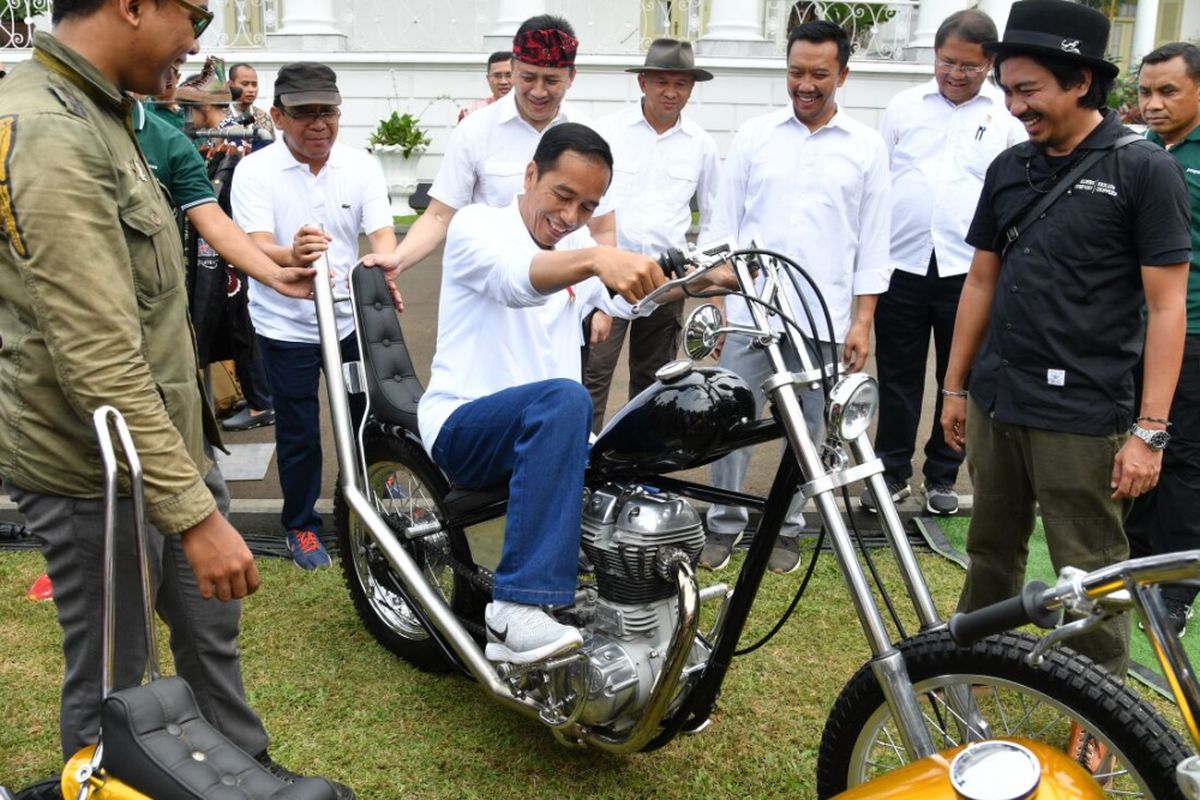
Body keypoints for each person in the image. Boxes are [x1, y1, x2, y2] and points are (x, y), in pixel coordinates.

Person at [0, 2, 350, 796]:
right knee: (116, 673)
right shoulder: (50, 132)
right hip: (97, 467)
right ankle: (98, 785)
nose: (198, 39)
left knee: (206, 632)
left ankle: (239, 769)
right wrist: (193, 516)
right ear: (132, 6)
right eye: (192, 13)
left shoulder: (109, 112)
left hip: (165, 441)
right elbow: (97, 354)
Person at [940, 0, 1189, 752]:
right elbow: (981, 279)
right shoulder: (1010, 166)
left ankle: (1101, 712)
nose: (1014, 108)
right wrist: (954, 387)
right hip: (997, 399)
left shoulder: (1140, 168)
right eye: (1006, 91)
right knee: (991, 547)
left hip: (1083, 414)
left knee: (1093, 571)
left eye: (1028, 91)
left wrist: (1149, 430)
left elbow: (1167, 304)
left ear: (1080, 81)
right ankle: (975, 666)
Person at [421, 122, 726, 664]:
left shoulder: (577, 245)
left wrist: (693, 284)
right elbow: (516, 280)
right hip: (463, 425)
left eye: (587, 207)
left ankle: (646, 611)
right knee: (566, 398)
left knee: (656, 423)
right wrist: (594, 257)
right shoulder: (477, 225)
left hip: (551, 431)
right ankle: (514, 609)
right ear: (531, 173)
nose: (570, 218)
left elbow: (625, 300)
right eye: (563, 197)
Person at [700, 21, 891, 575]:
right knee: (732, 421)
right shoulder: (756, 136)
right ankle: (724, 523)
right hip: (751, 315)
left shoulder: (866, 148)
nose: (805, 84)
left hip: (824, 319)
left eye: (818, 75)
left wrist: (863, 322)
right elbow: (722, 228)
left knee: (810, 430)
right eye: (795, 72)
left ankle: (785, 528)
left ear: (843, 75)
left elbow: (873, 241)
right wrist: (714, 305)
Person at [232, 61, 396, 570]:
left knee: (369, 415)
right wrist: (293, 252)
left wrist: (382, 265)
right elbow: (257, 246)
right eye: (304, 113)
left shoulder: (361, 164)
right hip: (285, 325)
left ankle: (377, 510)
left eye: (328, 111)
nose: (318, 123)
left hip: (349, 322)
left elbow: (383, 235)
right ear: (278, 117)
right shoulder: (253, 170)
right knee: (299, 430)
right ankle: (301, 526)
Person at [863, 9, 1025, 517]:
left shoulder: (1006, 116)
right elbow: (882, 181)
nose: (956, 74)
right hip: (904, 264)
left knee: (960, 379)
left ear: (990, 64)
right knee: (898, 375)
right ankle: (890, 472)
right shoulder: (903, 106)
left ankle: (941, 475)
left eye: (969, 67)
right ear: (934, 56)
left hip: (969, 272)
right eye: (947, 62)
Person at [363, 14, 615, 311]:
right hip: (493, 295)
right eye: (528, 77)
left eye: (551, 80)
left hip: (564, 303)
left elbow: (601, 229)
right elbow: (440, 215)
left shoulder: (590, 138)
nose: (537, 91)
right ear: (513, 69)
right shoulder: (475, 129)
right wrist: (399, 259)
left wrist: (600, 305)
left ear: (570, 77)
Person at [584, 39, 720, 432]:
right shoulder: (608, 131)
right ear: (642, 82)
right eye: (662, 81)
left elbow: (714, 215)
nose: (671, 92)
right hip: (608, 277)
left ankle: (635, 474)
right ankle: (581, 467)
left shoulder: (701, 145)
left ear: (691, 89)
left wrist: (700, 273)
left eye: (681, 84)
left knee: (655, 384)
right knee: (591, 377)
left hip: (666, 283)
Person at [1125, 41, 1200, 637]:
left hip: (1193, 334)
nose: (1153, 104)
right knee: (1135, 449)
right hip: (1134, 333)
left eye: (1168, 91)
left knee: (1181, 462)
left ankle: (1175, 592)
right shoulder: (1141, 152)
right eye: (1146, 91)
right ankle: (1132, 570)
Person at [175, 59, 277, 431]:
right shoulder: (230, 134)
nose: (187, 119)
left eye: (189, 110)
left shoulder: (230, 140)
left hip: (234, 242)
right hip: (236, 240)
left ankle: (260, 403)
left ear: (204, 108)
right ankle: (257, 398)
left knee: (241, 324)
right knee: (239, 323)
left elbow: (223, 199)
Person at [457, 50, 514, 123]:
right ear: (488, 79)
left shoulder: (529, 112)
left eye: (509, 75)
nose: (503, 82)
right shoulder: (471, 112)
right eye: (497, 76)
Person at [227, 61, 276, 139]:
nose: (251, 90)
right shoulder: (218, 115)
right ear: (230, 85)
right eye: (245, 84)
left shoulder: (263, 117)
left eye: (254, 85)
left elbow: (271, 148)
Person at [147, 62, 185, 131]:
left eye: (167, 86)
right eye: (155, 86)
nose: (161, 91)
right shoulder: (144, 109)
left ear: (178, 78)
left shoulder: (189, 109)